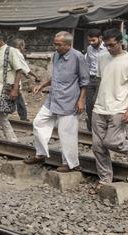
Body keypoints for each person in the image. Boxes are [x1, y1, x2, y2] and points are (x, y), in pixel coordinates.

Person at [26, 32, 88, 172]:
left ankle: (71, 164)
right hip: (53, 98)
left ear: (68, 44)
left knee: (66, 133)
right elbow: (55, 77)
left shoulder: (78, 57)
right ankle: (40, 154)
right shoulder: (56, 56)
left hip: (69, 100)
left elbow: (85, 81)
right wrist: (42, 85)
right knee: (38, 122)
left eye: (58, 45)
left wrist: (81, 100)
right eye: (55, 44)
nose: (56, 47)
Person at [90, 28, 128, 190]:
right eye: (106, 45)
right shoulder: (101, 57)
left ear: (121, 42)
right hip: (99, 108)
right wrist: (94, 102)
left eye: (112, 45)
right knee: (97, 146)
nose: (109, 48)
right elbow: (100, 80)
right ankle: (105, 178)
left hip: (119, 108)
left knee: (112, 142)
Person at [84, 28, 108, 131]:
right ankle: (91, 129)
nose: (91, 43)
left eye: (93, 40)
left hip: (103, 80)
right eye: (89, 40)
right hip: (91, 79)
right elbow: (88, 63)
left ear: (100, 38)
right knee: (89, 104)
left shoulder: (108, 48)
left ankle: (103, 128)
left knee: (99, 104)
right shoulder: (89, 48)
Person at [13, 38, 30, 121]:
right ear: (21, 46)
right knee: (19, 98)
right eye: (24, 46)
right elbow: (24, 68)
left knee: (16, 98)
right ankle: (23, 116)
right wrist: (33, 76)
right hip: (15, 80)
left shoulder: (11, 52)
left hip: (9, 79)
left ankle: (23, 116)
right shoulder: (18, 54)